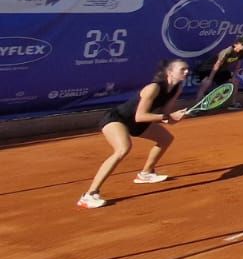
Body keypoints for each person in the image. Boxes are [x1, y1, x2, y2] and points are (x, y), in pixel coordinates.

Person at [79, 59, 189, 208]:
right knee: (123, 149)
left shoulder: (177, 88)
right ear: (169, 72)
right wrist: (167, 118)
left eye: (187, 69)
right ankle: (90, 194)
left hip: (137, 123)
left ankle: (146, 173)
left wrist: (175, 118)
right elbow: (140, 116)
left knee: (165, 139)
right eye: (182, 69)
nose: (187, 72)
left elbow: (165, 115)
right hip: (118, 119)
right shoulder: (154, 88)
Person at [198, 35, 243, 110]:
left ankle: (232, 104)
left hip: (221, 70)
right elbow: (216, 65)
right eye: (242, 44)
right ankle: (197, 106)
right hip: (207, 68)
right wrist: (210, 79)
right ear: (235, 44)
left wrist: (234, 77)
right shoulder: (227, 51)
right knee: (205, 83)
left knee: (235, 81)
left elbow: (238, 65)